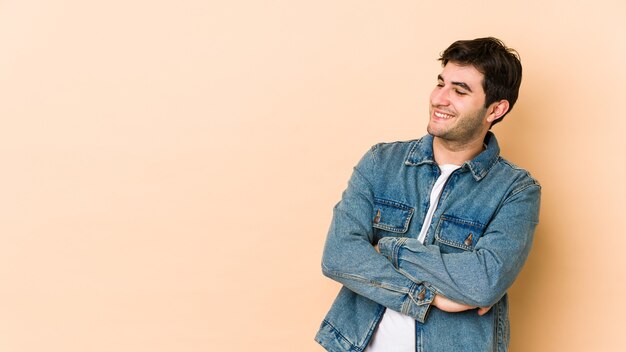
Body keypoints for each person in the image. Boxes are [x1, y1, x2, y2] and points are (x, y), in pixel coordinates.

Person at [315, 37, 541, 352]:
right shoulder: (382, 162)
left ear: (496, 109)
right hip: (353, 344)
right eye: (440, 84)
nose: (440, 99)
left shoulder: (516, 191)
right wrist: (430, 296)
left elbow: (482, 283)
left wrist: (387, 249)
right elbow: (339, 254)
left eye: (460, 91)